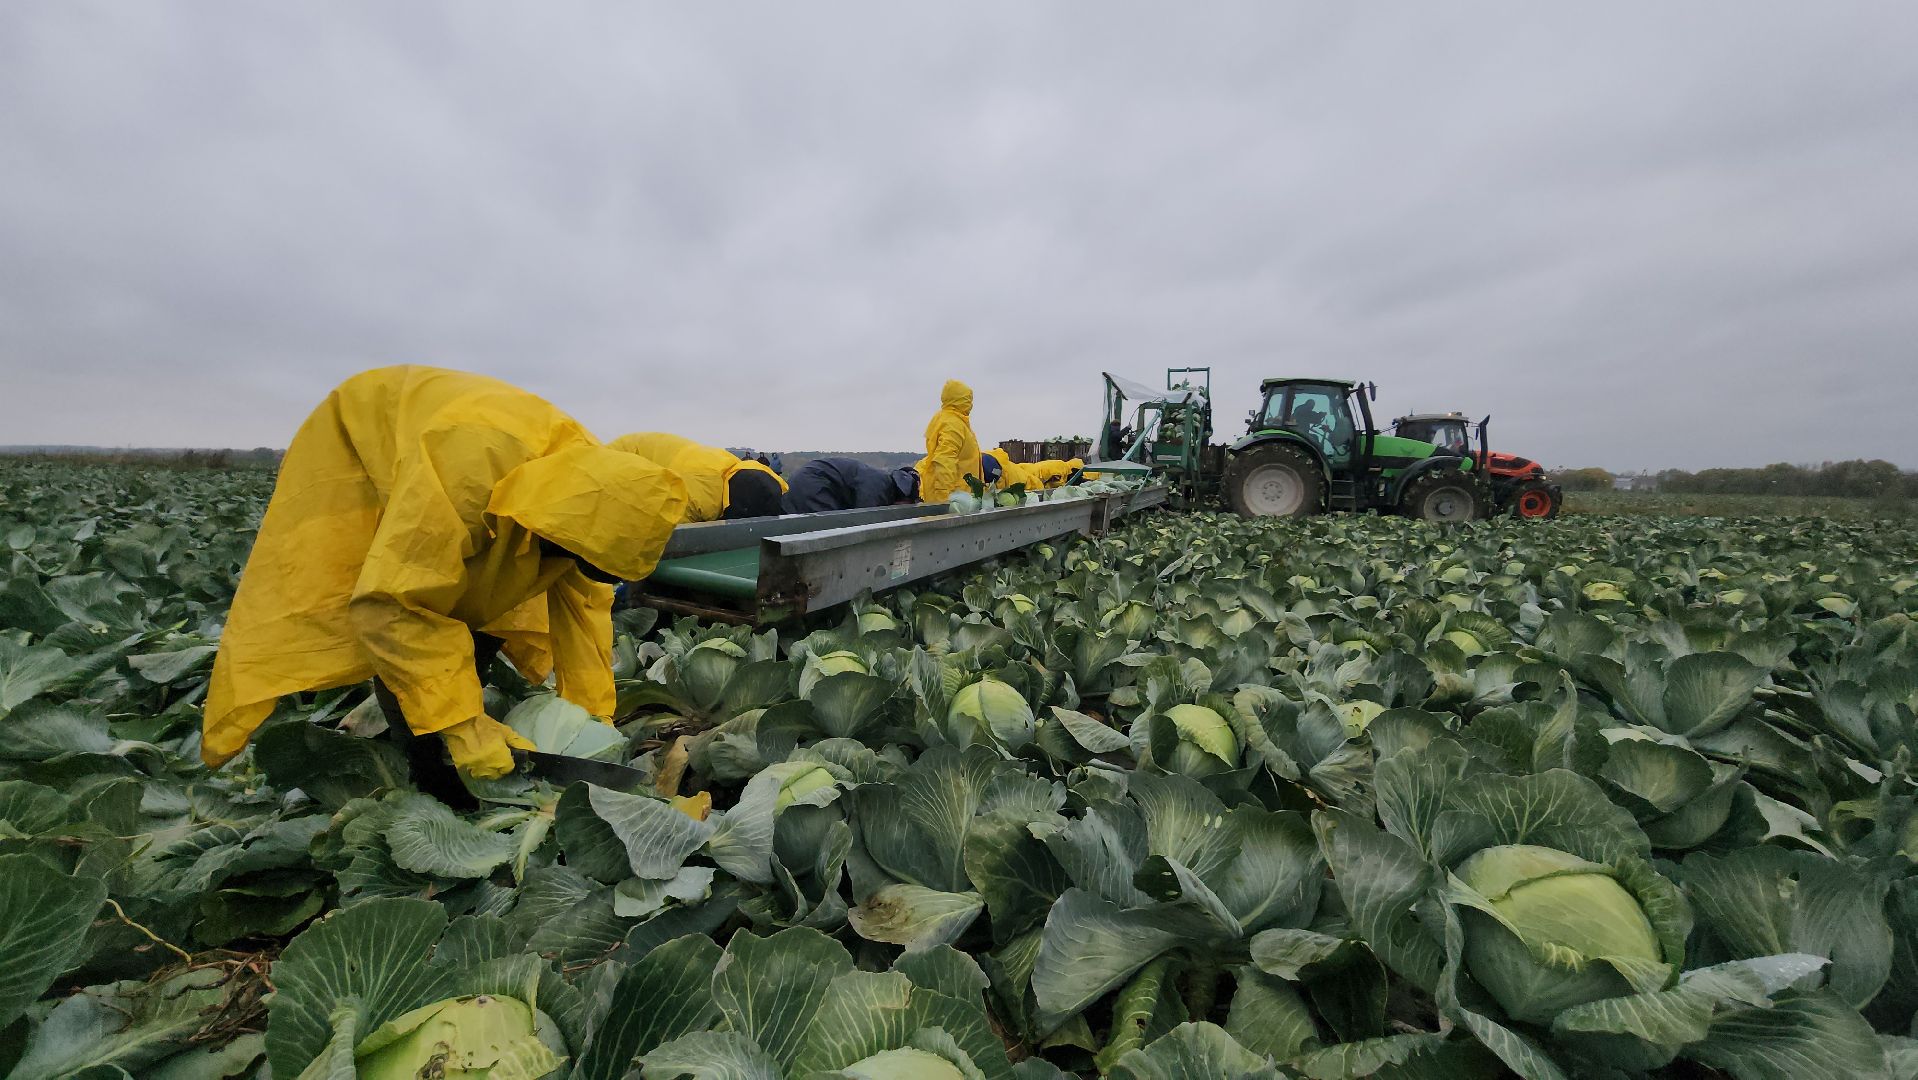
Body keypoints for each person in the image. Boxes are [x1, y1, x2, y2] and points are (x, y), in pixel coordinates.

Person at [202, 366, 690, 788]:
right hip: (369, 449)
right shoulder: (464, 472)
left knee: (483, 614)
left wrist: (592, 718)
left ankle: (450, 732)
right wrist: (462, 726)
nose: (567, 568)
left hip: (477, 460)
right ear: (559, 529)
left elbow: (585, 613)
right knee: (393, 617)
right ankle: (428, 765)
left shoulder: (596, 503)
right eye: (568, 556)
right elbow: (392, 606)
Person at [610, 432, 788, 520]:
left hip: (653, 461)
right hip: (619, 466)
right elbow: (670, 538)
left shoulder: (734, 467)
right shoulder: (699, 497)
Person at [913, 379, 981, 503]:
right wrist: (944, 500)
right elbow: (945, 461)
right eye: (968, 400)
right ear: (960, 400)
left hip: (957, 495)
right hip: (954, 497)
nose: (971, 405)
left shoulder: (949, 419)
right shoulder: (953, 424)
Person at [780, 457, 920, 514]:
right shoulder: (879, 486)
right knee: (827, 532)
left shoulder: (879, 481)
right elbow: (862, 521)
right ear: (904, 495)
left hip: (803, 482)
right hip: (814, 485)